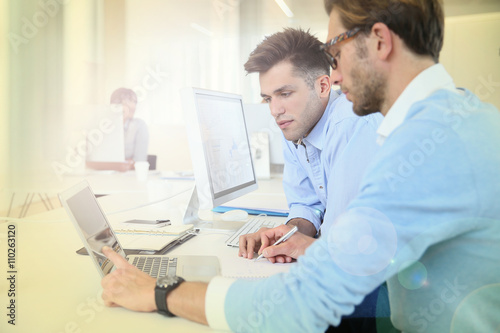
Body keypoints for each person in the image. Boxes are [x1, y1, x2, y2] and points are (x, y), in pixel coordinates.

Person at [101, 0, 500, 332]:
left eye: (336, 51)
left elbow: (301, 304)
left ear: (379, 41)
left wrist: (160, 292)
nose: (336, 73)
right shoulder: (449, 119)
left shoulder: (426, 144)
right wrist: (298, 232)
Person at [239, 29, 383, 267]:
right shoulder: (295, 128)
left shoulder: (350, 123)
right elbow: (307, 205)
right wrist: (287, 234)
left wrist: (303, 247)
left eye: (284, 94)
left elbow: (341, 243)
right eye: (268, 99)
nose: (275, 110)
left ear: (324, 86)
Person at [86, 88, 149, 172]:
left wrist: (109, 165)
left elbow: (139, 161)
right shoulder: (100, 127)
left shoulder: (139, 126)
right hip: (101, 175)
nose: (134, 106)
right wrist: (120, 165)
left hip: (128, 177)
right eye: (129, 101)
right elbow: (88, 161)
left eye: (135, 102)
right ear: (115, 104)